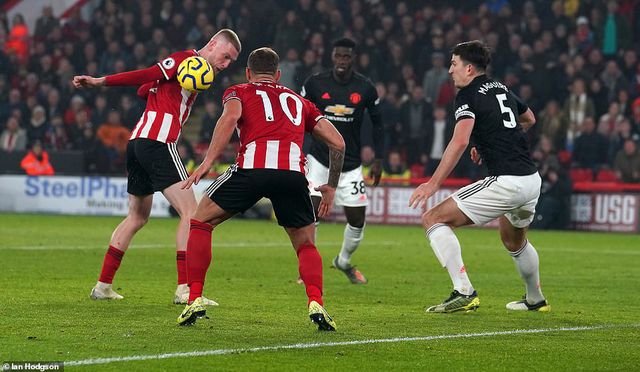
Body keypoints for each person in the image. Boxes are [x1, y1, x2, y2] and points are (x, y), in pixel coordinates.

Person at [176, 48, 345, 330]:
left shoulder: (239, 91)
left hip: (252, 169)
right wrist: (331, 187)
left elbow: (229, 119)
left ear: (248, 73)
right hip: (291, 175)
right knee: (305, 243)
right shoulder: (300, 101)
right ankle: (316, 301)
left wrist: (207, 161)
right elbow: (338, 143)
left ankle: (194, 297)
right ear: (278, 76)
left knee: (200, 221)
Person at [72, 29, 241, 305]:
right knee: (192, 212)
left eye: (230, 63)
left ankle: (103, 286)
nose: (225, 65)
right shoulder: (186, 59)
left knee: (137, 217)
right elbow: (144, 75)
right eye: (225, 57)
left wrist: (159, 84)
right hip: (158, 141)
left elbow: (143, 88)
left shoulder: (192, 71)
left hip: (137, 141)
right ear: (212, 45)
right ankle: (185, 289)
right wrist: (99, 81)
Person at [409, 40, 550, 313]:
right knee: (514, 240)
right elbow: (530, 118)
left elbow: (459, 141)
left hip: (507, 181)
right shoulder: (502, 88)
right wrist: (488, 142)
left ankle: (463, 291)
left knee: (433, 218)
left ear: (469, 68)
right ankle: (535, 299)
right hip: (531, 180)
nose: (450, 70)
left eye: (453, 64)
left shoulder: (467, 94)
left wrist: (433, 183)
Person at [301, 37, 384, 284]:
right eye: (338, 56)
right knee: (311, 212)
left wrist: (378, 159)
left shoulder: (366, 88)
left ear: (353, 58)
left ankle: (343, 261)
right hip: (319, 159)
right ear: (332, 56)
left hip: (350, 165)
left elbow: (379, 125)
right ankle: (306, 270)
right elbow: (298, 115)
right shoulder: (315, 84)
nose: (341, 61)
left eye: (346, 57)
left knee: (357, 220)